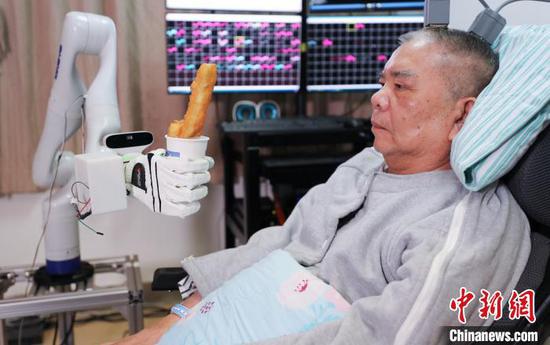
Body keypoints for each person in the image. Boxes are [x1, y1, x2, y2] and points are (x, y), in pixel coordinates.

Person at [115, 27, 530, 345]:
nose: (377, 98)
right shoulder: (369, 163)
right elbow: (284, 242)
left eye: (400, 87)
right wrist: (178, 320)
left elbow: (388, 337)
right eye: (382, 83)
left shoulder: (459, 227)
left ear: (462, 117)